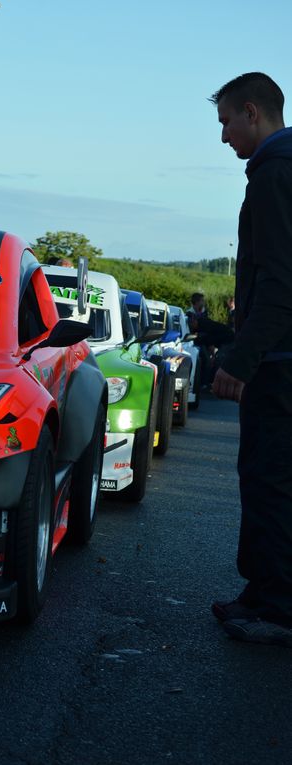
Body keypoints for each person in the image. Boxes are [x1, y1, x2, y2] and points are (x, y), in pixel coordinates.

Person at [209, 72, 292, 646]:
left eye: (226, 124)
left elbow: (279, 282)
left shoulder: (276, 173)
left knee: (271, 481)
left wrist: (241, 359)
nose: (224, 137)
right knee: (269, 479)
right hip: (281, 357)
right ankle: (262, 594)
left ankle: (277, 610)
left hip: (281, 365)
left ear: (251, 112)